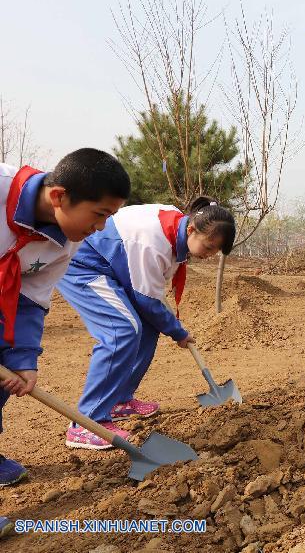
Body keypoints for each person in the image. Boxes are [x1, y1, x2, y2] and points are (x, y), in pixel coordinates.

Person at [0, 149, 129, 536]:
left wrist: (24, 359)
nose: (102, 228)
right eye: (99, 214)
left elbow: (31, 296)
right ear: (59, 197)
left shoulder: (65, 241)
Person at [56, 197, 235, 450]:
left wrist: (169, 325)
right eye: (208, 247)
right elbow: (147, 301)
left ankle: (119, 400)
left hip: (115, 268)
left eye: (215, 252)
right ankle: (87, 422)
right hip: (84, 263)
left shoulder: (178, 227)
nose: (209, 255)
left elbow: (149, 297)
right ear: (192, 229)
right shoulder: (154, 242)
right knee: (122, 331)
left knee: (149, 326)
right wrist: (178, 331)